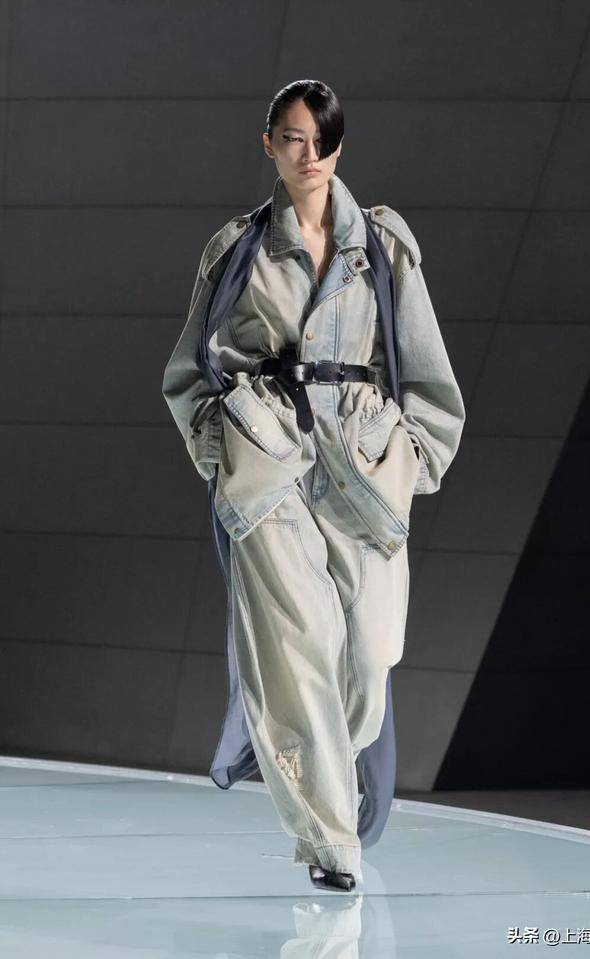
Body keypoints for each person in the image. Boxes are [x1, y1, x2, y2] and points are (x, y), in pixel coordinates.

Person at [162, 79, 466, 891]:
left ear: (339, 146)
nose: (309, 155)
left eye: (322, 140)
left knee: (370, 652)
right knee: (298, 652)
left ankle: (332, 769)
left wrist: (411, 458)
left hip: (361, 464)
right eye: (293, 138)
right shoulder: (237, 249)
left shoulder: (383, 245)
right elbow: (190, 372)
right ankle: (332, 843)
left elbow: (427, 372)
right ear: (268, 142)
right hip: (269, 463)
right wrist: (226, 449)